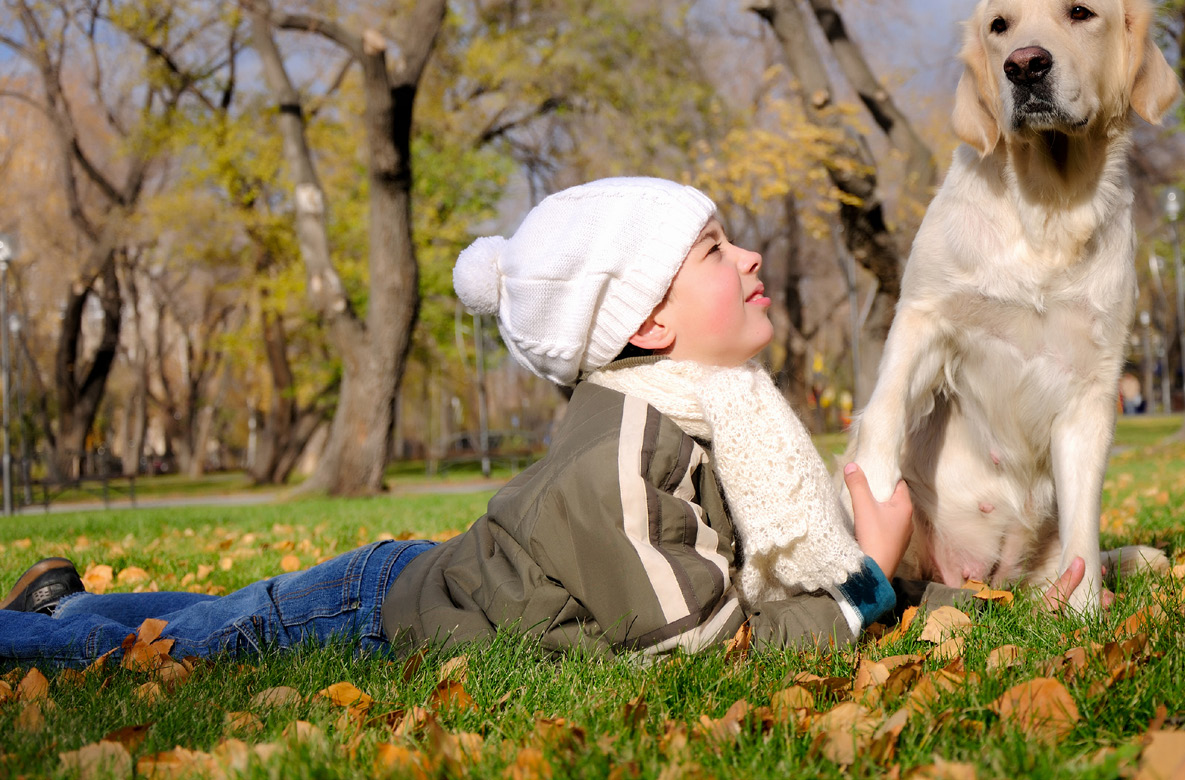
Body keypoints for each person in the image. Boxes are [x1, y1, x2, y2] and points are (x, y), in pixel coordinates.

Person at [1, 177, 913, 667]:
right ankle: (53, 627)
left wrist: (927, 589)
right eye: (715, 250)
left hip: (405, 579)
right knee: (150, 653)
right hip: (375, 617)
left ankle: (62, 602)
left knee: (215, 617)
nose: (750, 255)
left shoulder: (705, 413)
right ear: (646, 323)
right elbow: (705, 645)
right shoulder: (632, 453)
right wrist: (864, 587)